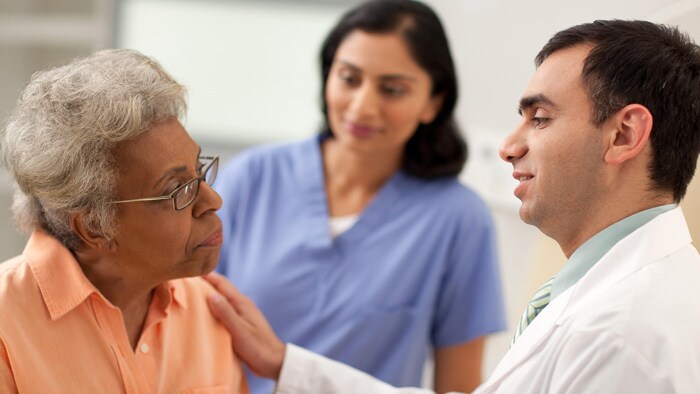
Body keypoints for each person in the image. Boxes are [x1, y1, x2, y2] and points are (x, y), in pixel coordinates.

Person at [206, 19, 700, 393]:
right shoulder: (602, 292)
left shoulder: (624, 335)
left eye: (541, 119)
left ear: (624, 134)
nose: (508, 147)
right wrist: (287, 365)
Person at [214, 0, 505, 392]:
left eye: (392, 89)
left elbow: (459, 388)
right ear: (327, 76)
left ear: (433, 102)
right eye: (349, 78)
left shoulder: (459, 220)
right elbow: (185, 322)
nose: (362, 106)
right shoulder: (252, 177)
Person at [0, 49, 248, 393]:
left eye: (200, 172)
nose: (212, 201)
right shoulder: (6, 328)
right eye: (178, 189)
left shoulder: (211, 309)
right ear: (95, 227)